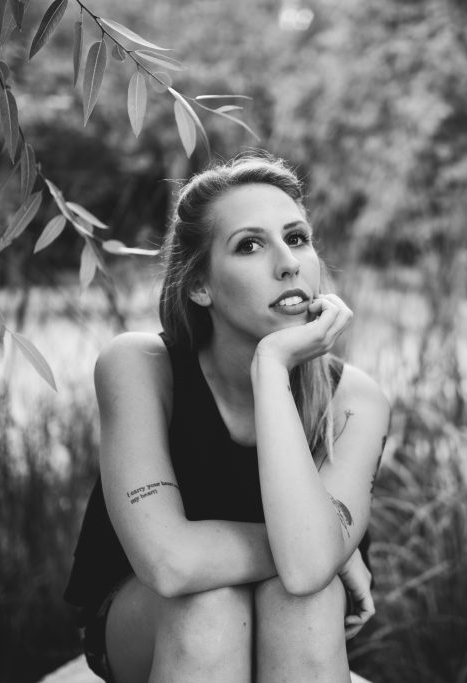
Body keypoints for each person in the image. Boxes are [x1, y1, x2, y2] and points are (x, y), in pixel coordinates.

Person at [64, 153, 391, 683]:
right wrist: (326, 546)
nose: (287, 263)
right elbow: (170, 565)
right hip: (149, 620)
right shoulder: (141, 366)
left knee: (304, 600)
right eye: (250, 245)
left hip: (291, 621)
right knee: (208, 605)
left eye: (298, 238)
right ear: (200, 285)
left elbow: (307, 572)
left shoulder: (354, 398)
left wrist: (274, 368)